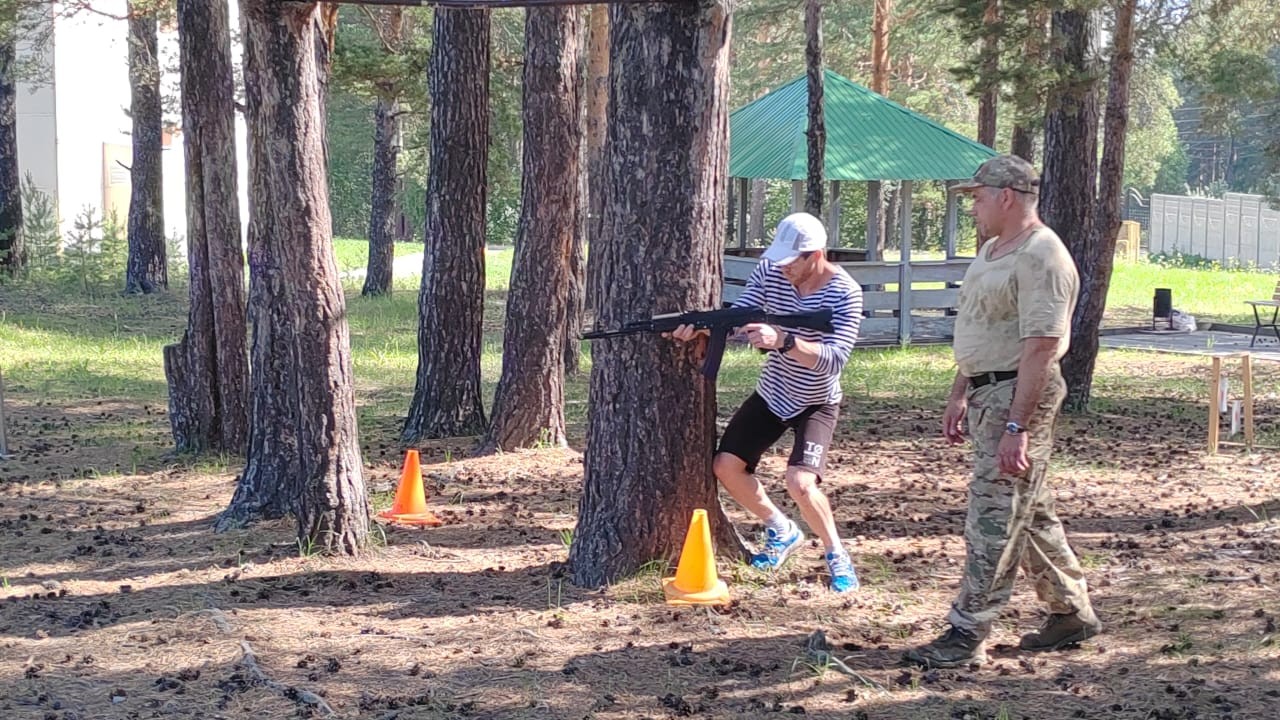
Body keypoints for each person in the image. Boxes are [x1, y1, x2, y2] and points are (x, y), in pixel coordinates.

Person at [904, 155, 1101, 668]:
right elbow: (981, 327)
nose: (973, 208)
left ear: (1006, 196)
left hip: (1019, 396)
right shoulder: (993, 251)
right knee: (1029, 512)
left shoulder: (1043, 256)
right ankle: (1071, 612)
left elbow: (1040, 346)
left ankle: (966, 632)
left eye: (978, 197)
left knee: (993, 515)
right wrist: (960, 387)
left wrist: (1018, 425)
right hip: (988, 392)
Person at [671, 212, 863, 592]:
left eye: (792, 262)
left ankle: (837, 555)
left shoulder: (845, 293)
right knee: (725, 467)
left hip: (817, 399)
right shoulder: (770, 271)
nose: (784, 269)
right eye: (780, 261)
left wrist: (785, 341)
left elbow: (836, 358)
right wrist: (702, 326)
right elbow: (741, 314)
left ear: (816, 255)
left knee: (801, 483)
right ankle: (781, 529)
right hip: (774, 392)